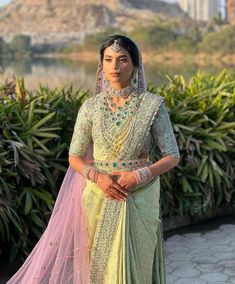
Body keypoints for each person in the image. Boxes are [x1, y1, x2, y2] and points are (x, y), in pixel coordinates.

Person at [7, 35, 180, 284]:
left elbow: (172, 155)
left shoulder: (152, 106)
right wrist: (98, 177)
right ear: (101, 65)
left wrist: (140, 174)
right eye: (108, 60)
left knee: (137, 268)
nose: (115, 67)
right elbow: (75, 156)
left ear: (135, 65)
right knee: (101, 268)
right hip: (99, 193)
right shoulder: (91, 107)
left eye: (122, 60)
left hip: (140, 194)